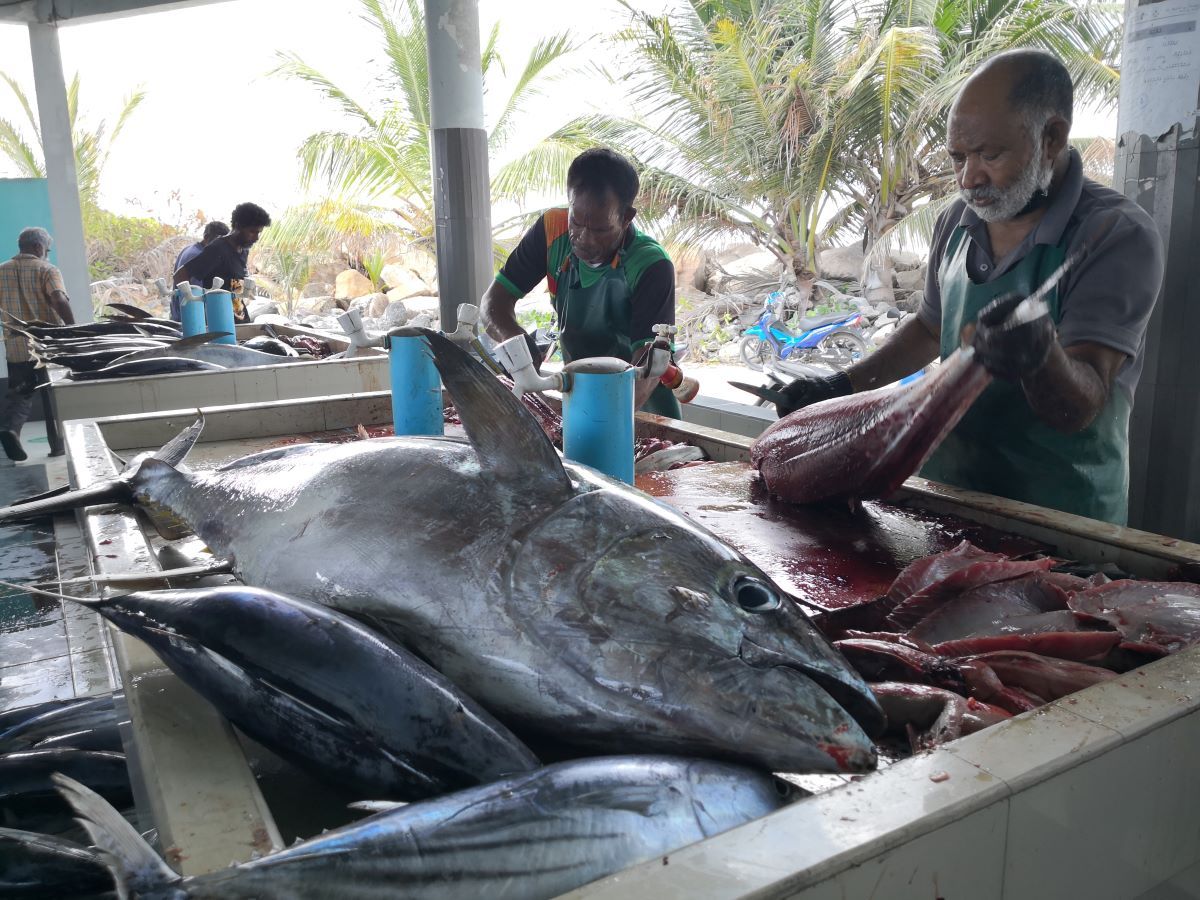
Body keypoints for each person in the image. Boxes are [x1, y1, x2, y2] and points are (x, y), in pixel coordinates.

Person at [772, 50, 1164, 526]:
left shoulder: (1114, 235)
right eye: (958, 157)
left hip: (1061, 520)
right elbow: (927, 329)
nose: (968, 178)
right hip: (947, 500)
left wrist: (1040, 356)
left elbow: (1082, 405)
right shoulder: (956, 220)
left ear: (1052, 138)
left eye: (989, 155)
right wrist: (839, 386)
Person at [481, 148, 680, 416]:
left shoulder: (651, 263)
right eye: (575, 222)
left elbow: (647, 366)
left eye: (600, 229)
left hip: (643, 408)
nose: (584, 238)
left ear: (626, 217)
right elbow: (493, 303)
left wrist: (605, 422)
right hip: (581, 398)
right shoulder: (551, 230)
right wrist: (515, 343)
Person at [0, 227, 75, 461]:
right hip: (47, 344)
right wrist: (72, 328)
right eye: (47, 250)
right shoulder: (47, 269)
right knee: (53, 397)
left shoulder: (1, 270)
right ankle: (57, 446)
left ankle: (11, 430)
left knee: (19, 394)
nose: (47, 254)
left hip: (16, 345)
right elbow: (58, 299)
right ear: (38, 247)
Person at [172, 202, 271, 323]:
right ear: (238, 226)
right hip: (218, 322)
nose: (256, 238)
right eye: (252, 232)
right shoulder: (218, 249)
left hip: (238, 318)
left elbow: (234, 285)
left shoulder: (243, 250)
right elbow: (180, 275)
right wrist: (195, 312)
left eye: (258, 232)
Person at [170, 221, 230, 319]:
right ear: (206, 237)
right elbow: (196, 292)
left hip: (179, 313)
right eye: (217, 242)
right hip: (188, 316)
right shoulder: (198, 256)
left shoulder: (188, 249)